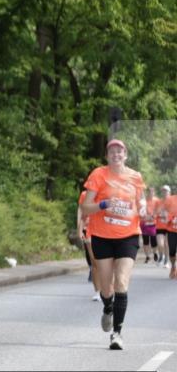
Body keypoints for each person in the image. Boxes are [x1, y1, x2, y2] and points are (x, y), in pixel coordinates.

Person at [80, 139, 149, 350]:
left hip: (127, 236)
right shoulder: (98, 175)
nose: (116, 154)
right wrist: (102, 204)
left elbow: (141, 200)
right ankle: (108, 308)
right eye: (112, 151)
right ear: (107, 156)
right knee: (106, 287)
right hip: (102, 236)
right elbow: (86, 208)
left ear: (125, 155)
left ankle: (117, 334)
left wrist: (143, 208)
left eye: (120, 151)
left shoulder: (135, 177)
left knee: (121, 281)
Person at [76, 188, 100, 300]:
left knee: (106, 263)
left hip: (105, 230)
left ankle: (108, 289)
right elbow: (82, 211)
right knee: (94, 261)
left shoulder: (106, 193)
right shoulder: (85, 194)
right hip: (89, 230)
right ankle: (98, 291)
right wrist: (79, 228)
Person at [139, 187, 158, 264]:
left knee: (154, 241)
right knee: (145, 241)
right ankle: (147, 256)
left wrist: (153, 216)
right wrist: (145, 217)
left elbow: (158, 210)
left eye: (152, 191)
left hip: (153, 223)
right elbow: (141, 210)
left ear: (154, 192)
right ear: (147, 192)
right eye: (149, 191)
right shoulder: (144, 201)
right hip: (144, 222)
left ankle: (155, 253)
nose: (151, 193)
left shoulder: (157, 201)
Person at [162, 184, 177, 279]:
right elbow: (164, 211)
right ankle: (173, 266)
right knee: (172, 250)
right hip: (172, 229)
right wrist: (168, 217)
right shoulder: (170, 199)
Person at [155, 185, 170, 269]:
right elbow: (154, 213)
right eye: (163, 191)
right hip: (160, 226)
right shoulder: (158, 202)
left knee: (166, 244)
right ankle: (161, 256)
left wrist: (168, 215)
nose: (164, 192)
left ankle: (166, 261)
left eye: (166, 191)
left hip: (169, 226)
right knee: (160, 244)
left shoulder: (172, 202)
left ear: (169, 192)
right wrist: (159, 213)